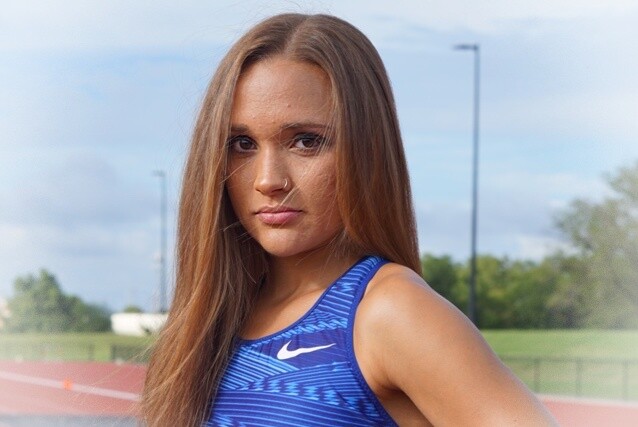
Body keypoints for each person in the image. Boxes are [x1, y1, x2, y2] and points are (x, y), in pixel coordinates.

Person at [142, 13, 557, 426]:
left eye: (306, 141)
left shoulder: (390, 313)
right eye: (242, 144)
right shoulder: (207, 327)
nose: (268, 180)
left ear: (366, 150)